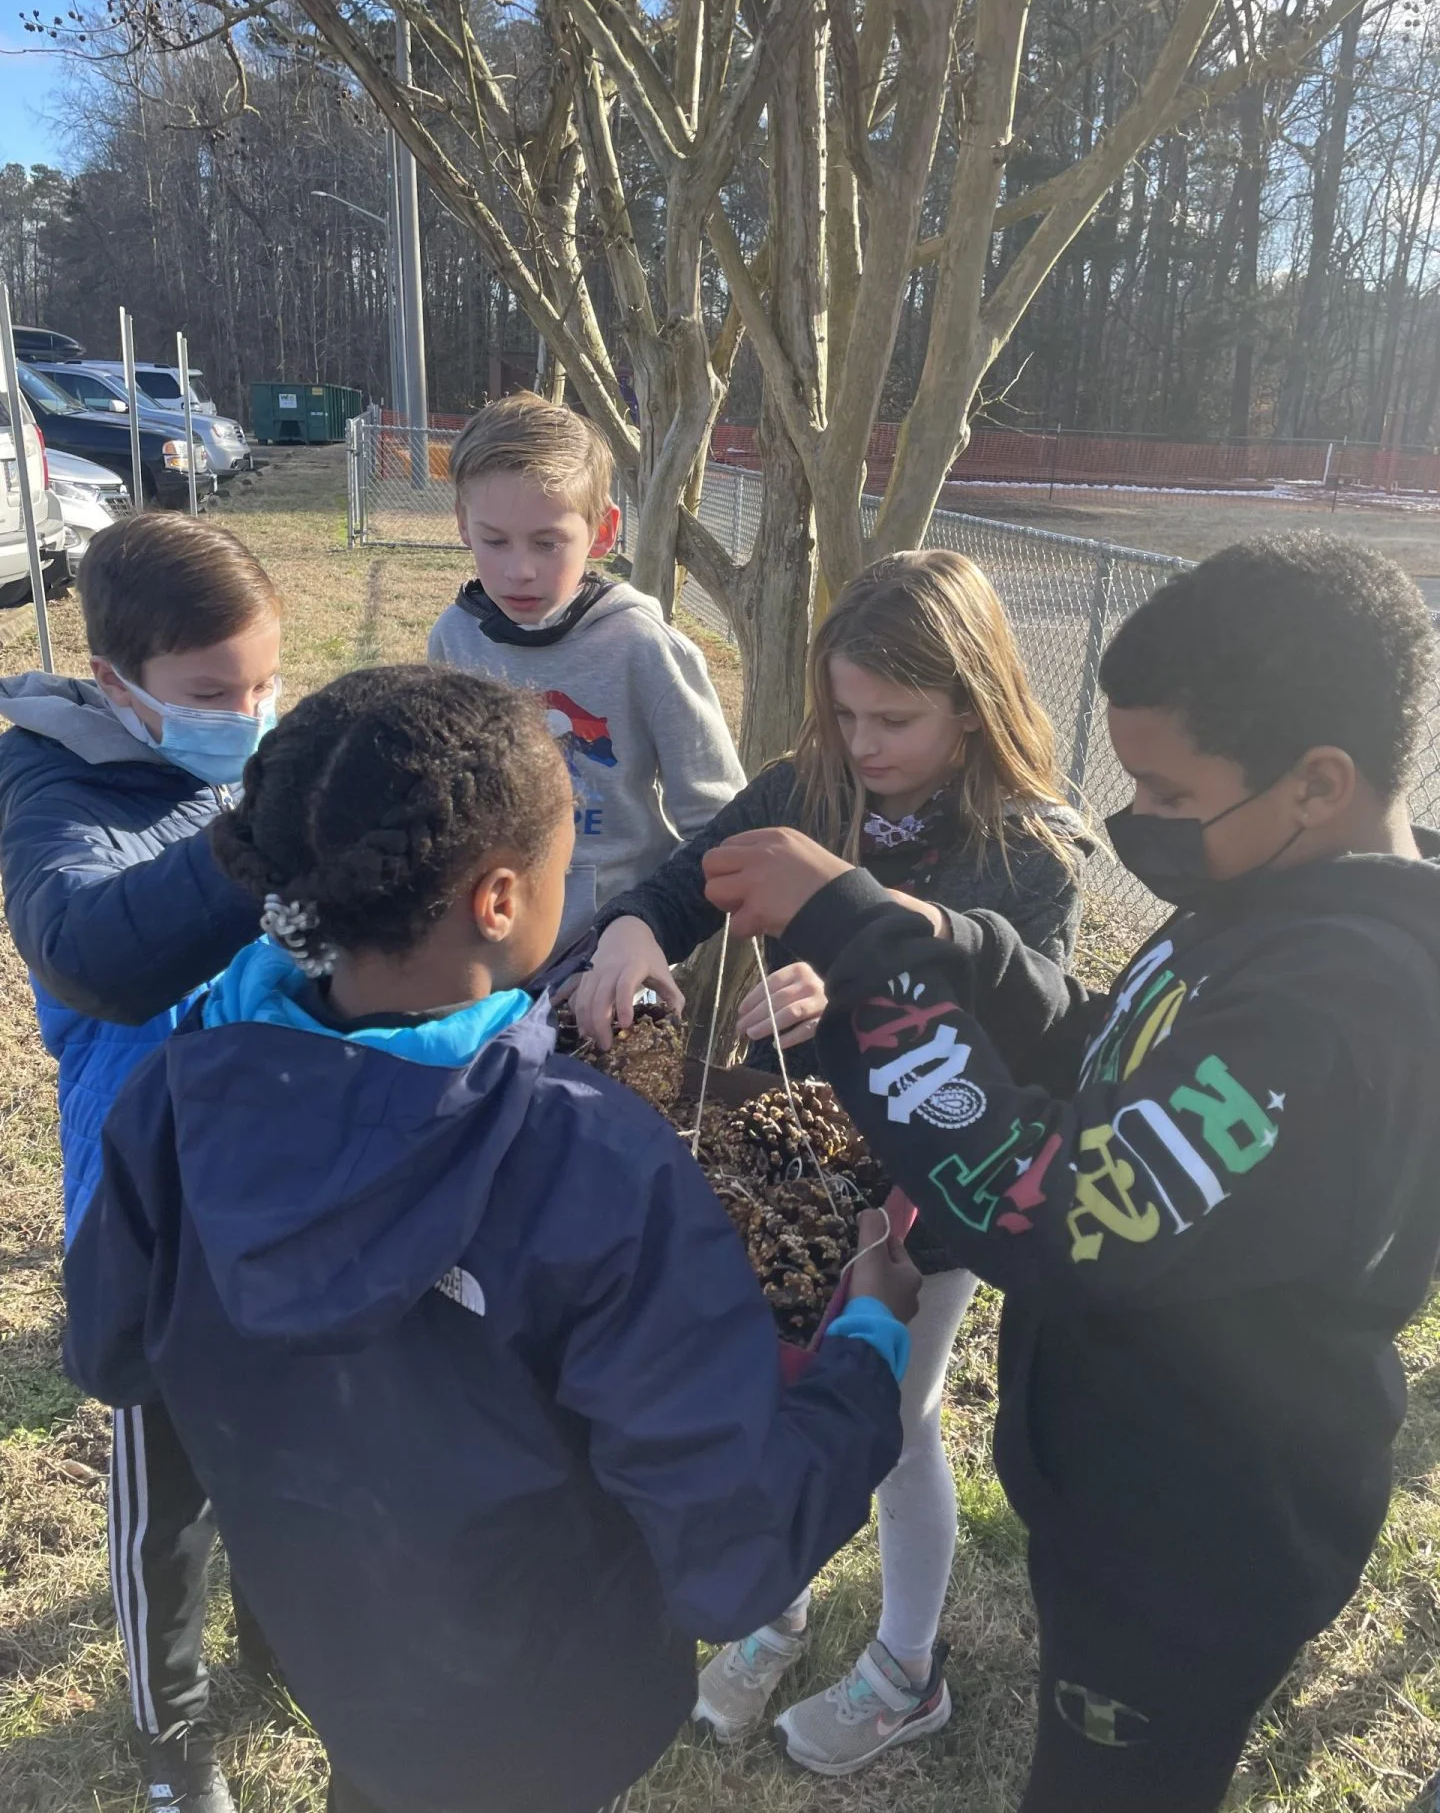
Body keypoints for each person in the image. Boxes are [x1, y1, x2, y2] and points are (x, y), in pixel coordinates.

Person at [61, 664, 921, 1813]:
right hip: (550, 1714)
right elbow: (734, 1557)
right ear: (502, 899)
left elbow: (112, 1351)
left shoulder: (170, 1103)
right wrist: (868, 1345)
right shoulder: (593, 1164)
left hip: (340, 1661)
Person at [701, 531, 1440, 1813]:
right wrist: (952, 942)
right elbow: (1111, 1055)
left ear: (1317, 783)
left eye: (1166, 793)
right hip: (1128, 1485)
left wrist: (868, 960)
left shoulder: (1334, 1015)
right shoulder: (1267, 901)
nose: (1132, 819)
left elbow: (1055, 1205)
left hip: (1199, 1532)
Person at [573, 547, 1092, 1773]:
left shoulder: (1031, 851)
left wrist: (862, 981)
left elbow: (1040, 1034)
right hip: (789, 1170)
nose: (862, 745)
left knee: (899, 1420)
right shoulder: (803, 791)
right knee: (773, 1386)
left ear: (972, 702)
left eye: (894, 720)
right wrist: (634, 929)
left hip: (928, 1199)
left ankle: (908, 1670)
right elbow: (685, 881)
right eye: (845, 713)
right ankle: (777, 1607)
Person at [0, 511, 281, 1813]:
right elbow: (94, 951)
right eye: (213, 694)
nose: (248, 715)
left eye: (266, 684)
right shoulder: (55, 790)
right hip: (150, 1209)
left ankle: (283, 1646)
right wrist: (256, 844)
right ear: (118, 682)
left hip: (281, 1188)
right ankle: (176, 1740)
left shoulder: (254, 759)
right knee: (168, 1498)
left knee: (283, 1447)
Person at [428, 391, 743, 954]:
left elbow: (720, 823)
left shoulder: (646, 649)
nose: (519, 570)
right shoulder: (453, 640)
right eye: (494, 541)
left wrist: (649, 929)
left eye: (547, 543)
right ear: (462, 524)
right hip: (487, 952)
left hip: (617, 951)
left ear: (602, 531)